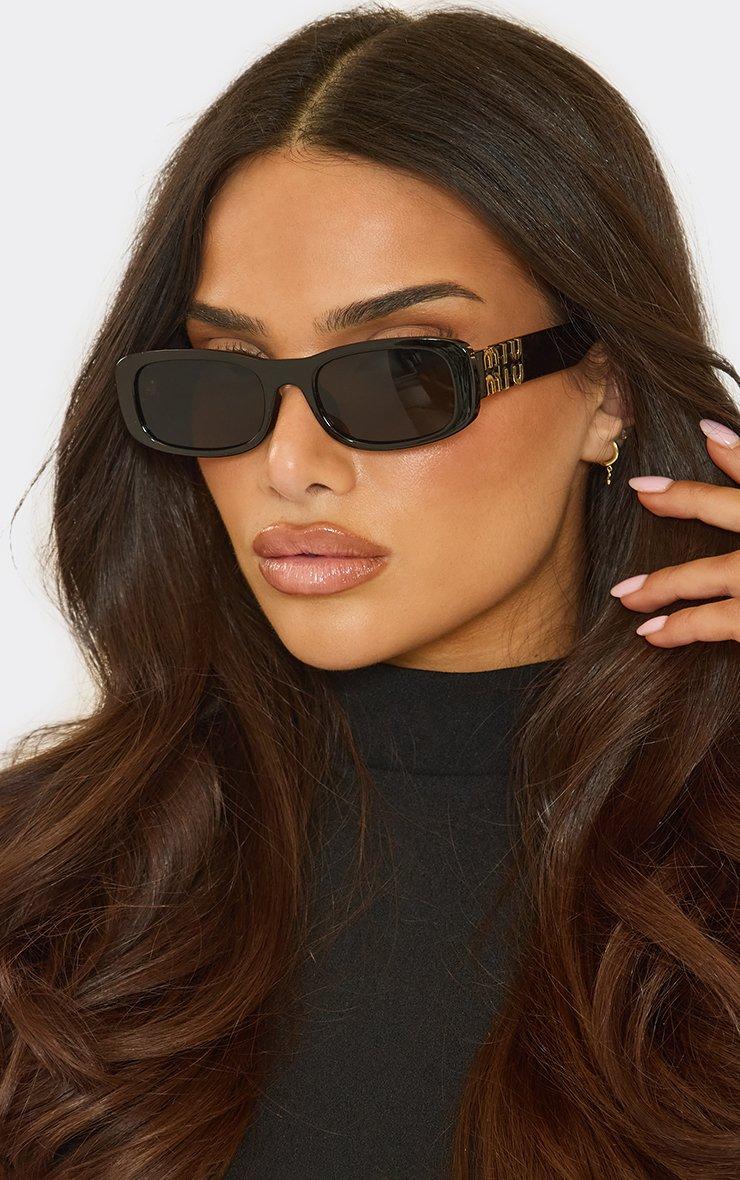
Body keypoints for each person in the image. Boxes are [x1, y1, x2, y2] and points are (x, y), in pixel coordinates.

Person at [2, 4, 739, 1177]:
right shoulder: (43, 882)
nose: (288, 463)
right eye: (228, 374)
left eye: (400, 374)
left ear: (603, 394)